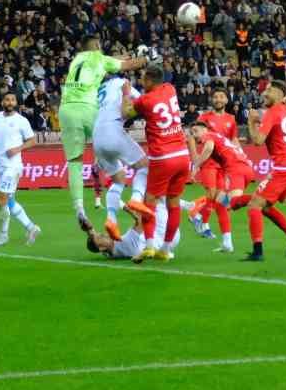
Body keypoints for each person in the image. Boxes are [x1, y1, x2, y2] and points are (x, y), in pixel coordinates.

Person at [58, 40, 147, 230]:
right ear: (97, 46)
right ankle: (136, 199)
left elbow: (114, 60)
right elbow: (127, 65)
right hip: (92, 114)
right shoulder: (103, 63)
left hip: (66, 110)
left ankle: (81, 209)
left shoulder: (77, 60)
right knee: (143, 167)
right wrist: (148, 57)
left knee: (76, 163)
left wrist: (129, 54)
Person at [130, 65, 193, 261]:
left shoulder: (145, 100)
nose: (141, 82)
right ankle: (165, 248)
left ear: (149, 80)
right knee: (173, 203)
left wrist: (126, 94)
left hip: (162, 157)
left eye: (142, 79)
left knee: (150, 202)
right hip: (182, 155)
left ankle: (149, 245)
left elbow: (125, 112)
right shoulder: (170, 89)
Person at [243, 80, 286, 262]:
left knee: (254, 205)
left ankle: (258, 251)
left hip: (283, 167)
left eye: (270, 90)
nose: (265, 93)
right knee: (266, 206)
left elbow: (257, 141)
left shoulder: (272, 113)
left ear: (280, 95)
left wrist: (251, 122)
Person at [89, 73, 156, 235]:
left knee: (118, 180)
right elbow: (143, 102)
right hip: (114, 130)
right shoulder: (120, 82)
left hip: (96, 137)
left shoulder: (96, 90)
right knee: (145, 166)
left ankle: (111, 219)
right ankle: (136, 199)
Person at [0, 92, 40, 247]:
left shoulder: (21, 120)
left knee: (1, 199)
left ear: (16, 102)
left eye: (13, 99)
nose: (10, 102)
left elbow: (32, 141)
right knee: (9, 201)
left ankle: (3, 235)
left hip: (12, 166)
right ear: (2, 101)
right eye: (7, 99)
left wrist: (17, 149)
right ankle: (31, 228)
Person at [186, 121, 257, 254]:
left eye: (195, 131)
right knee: (221, 204)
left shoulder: (209, 136)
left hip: (235, 170)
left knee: (233, 202)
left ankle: (195, 213)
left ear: (204, 130)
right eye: (192, 133)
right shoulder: (219, 137)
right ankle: (227, 243)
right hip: (245, 169)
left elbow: (208, 148)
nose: (194, 135)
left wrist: (196, 165)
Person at [191, 89, 237, 240]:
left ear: (226, 100)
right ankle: (199, 218)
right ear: (212, 100)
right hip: (209, 161)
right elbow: (191, 136)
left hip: (223, 164)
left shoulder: (231, 118)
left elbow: (233, 140)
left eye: (221, 96)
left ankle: (201, 220)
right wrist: (195, 158)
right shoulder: (204, 117)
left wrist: (241, 155)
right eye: (215, 97)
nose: (218, 99)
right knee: (211, 193)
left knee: (220, 198)